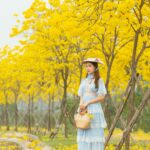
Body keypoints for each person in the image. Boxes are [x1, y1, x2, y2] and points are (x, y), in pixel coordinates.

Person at [77, 58, 107, 150]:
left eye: (90, 66)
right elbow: (81, 95)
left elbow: (102, 97)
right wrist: (81, 106)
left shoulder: (99, 80)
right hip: (84, 109)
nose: (87, 68)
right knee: (84, 132)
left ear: (95, 67)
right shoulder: (84, 81)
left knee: (94, 134)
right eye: (86, 66)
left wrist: (88, 102)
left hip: (94, 110)